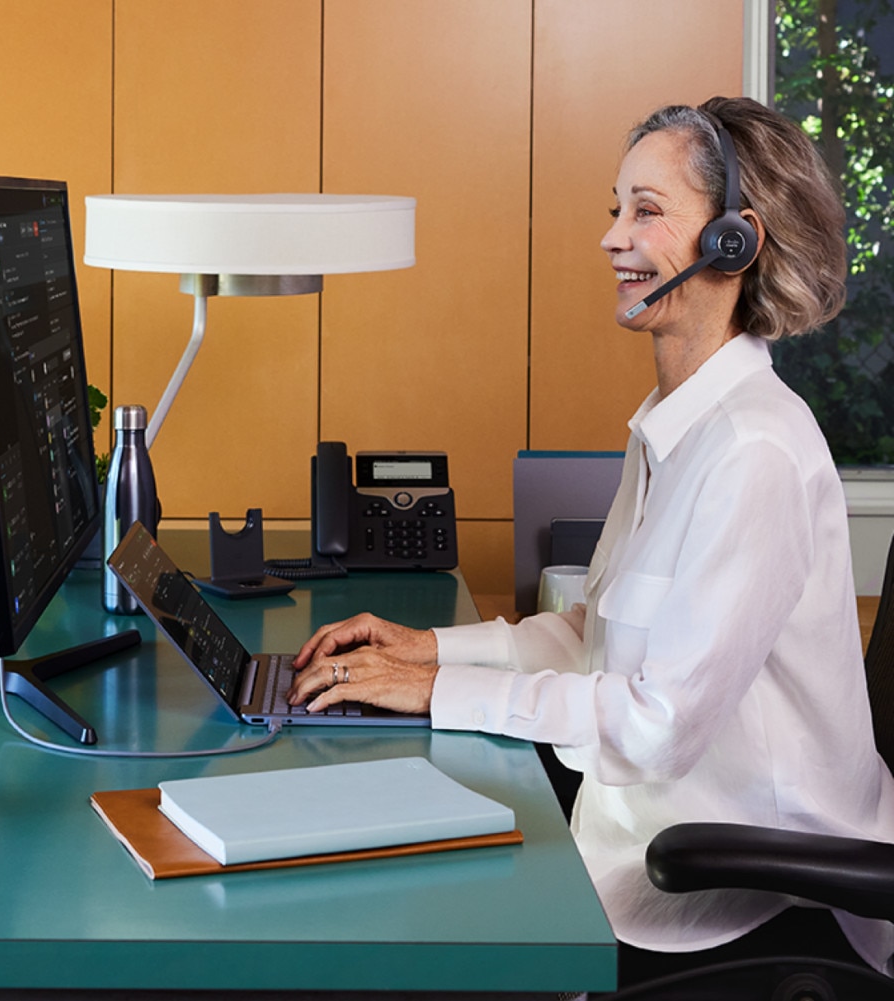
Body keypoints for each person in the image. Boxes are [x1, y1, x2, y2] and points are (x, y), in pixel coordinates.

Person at [287, 96, 894, 981]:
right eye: (616, 208)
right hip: (631, 846)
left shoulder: (755, 451)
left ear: (734, 242)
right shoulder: (672, 428)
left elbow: (654, 727)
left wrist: (437, 694)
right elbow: (590, 636)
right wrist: (427, 651)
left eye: (646, 211)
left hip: (738, 900)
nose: (613, 238)